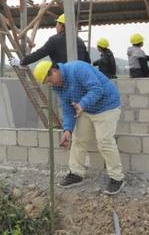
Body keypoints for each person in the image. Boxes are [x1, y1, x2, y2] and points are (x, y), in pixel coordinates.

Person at [33, 60, 124, 195]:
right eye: (47, 83)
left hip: (107, 106)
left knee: (104, 141)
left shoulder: (77, 69)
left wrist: (82, 104)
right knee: (78, 139)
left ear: (53, 71)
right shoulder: (58, 86)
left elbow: (96, 89)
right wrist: (67, 130)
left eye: (49, 80)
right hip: (86, 108)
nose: (50, 84)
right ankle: (76, 174)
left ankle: (117, 177)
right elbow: (67, 108)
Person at [14, 14, 91, 66]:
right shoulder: (80, 41)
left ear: (62, 25)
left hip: (63, 79)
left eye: (57, 24)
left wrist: (21, 62)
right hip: (80, 80)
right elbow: (88, 61)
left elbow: (39, 54)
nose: (56, 27)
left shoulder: (54, 40)